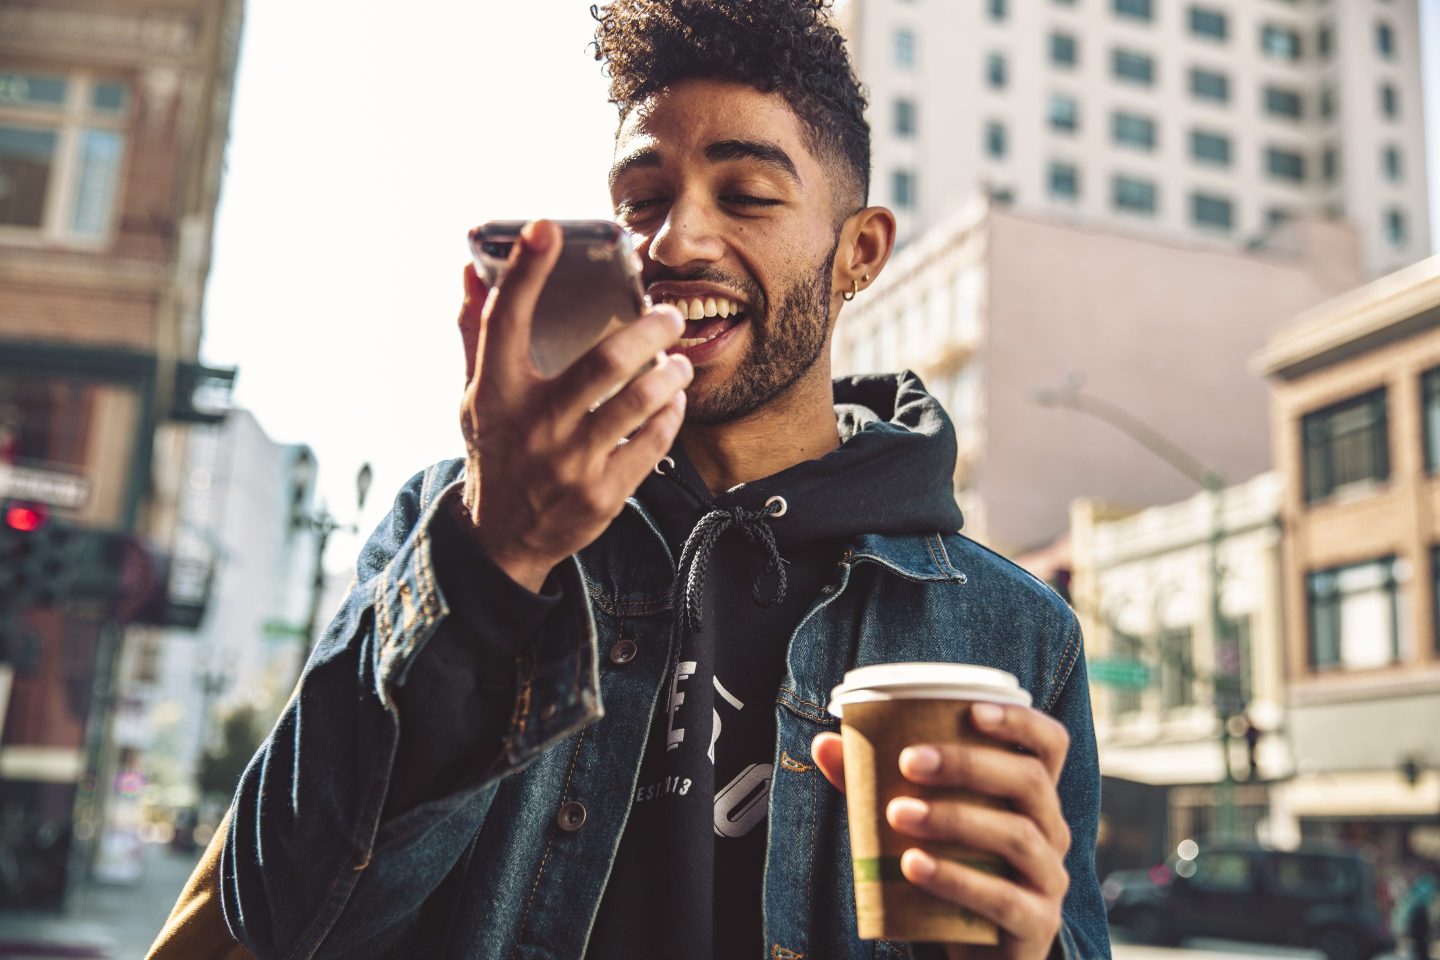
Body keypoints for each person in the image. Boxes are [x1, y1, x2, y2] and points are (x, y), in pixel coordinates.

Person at [217, 2, 1110, 958]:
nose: (675, 243)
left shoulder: (1014, 632)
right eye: (642, 201)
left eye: (748, 196)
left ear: (859, 253)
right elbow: (280, 918)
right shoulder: (462, 522)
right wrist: (492, 561)